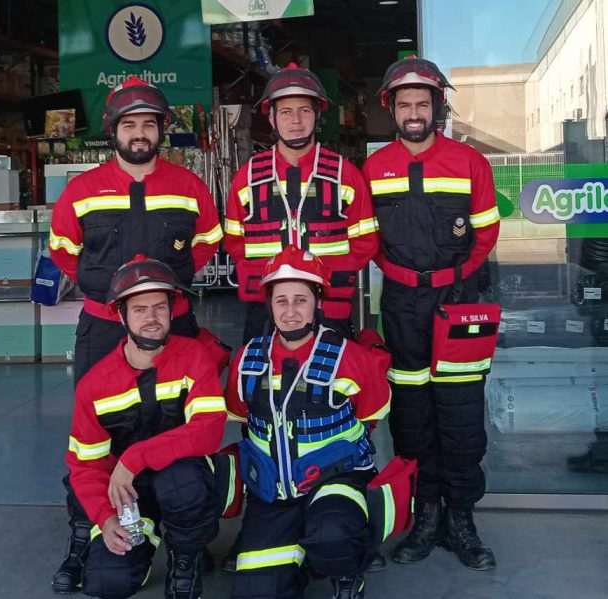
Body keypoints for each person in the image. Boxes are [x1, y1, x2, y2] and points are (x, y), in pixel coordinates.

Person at [49, 77, 227, 592]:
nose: (140, 132)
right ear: (114, 131)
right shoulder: (82, 191)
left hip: (172, 326)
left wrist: (161, 297)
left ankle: (186, 543)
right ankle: (85, 537)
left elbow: (207, 242)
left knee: (185, 429)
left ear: (161, 130)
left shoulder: (189, 186)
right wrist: (113, 297)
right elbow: (64, 251)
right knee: (92, 440)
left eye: (149, 123)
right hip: (105, 331)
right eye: (130, 124)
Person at [361, 56, 501, 570]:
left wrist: (449, 283)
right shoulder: (373, 170)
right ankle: (424, 514)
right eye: (405, 104)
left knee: (462, 415)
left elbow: (484, 235)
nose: (414, 112)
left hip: (459, 303)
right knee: (412, 416)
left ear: (437, 107)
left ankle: (461, 519)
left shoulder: (471, 163)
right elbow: (366, 239)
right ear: (391, 110)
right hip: (400, 307)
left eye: (423, 103)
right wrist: (405, 280)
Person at [225, 246, 393, 599]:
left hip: (335, 480)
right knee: (256, 591)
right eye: (281, 300)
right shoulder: (246, 359)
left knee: (335, 535)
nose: (290, 312)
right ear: (268, 304)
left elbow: (371, 414)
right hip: (273, 491)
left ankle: (347, 573)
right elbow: (242, 416)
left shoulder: (350, 357)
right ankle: (301, 555)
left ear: (318, 303)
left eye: (301, 300)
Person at [66, 256, 229, 599]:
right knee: (106, 583)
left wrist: (135, 457)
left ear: (172, 311)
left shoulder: (194, 356)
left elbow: (209, 430)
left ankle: (187, 557)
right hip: (129, 495)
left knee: (181, 479)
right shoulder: (95, 385)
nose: (152, 318)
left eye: (159, 307)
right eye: (140, 309)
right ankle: (147, 533)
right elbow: (85, 465)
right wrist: (107, 518)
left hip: (181, 478)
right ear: (121, 315)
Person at [223, 63, 378, 343]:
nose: (296, 120)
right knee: (261, 382)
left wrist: (323, 280)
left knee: (335, 380)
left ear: (317, 115)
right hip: (268, 308)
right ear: (271, 118)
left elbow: (365, 243)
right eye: (285, 112)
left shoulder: (345, 174)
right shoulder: (248, 176)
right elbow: (235, 242)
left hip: (329, 305)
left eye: (304, 110)